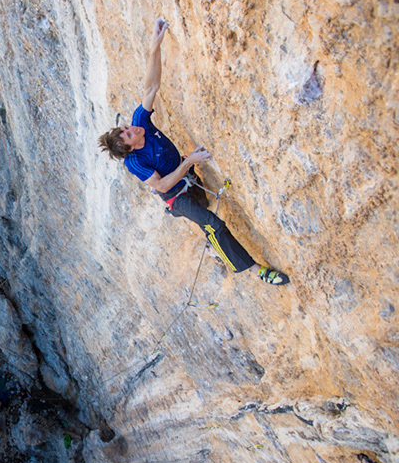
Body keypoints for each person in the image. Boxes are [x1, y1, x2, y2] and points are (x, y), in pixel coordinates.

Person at [97, 17, 289, 286]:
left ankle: (219, 244)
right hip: (176, 197)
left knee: (207, 210)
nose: (131, 127)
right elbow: (163, 184)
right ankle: (257, 270)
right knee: (213, 224)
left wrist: (155, 45)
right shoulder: (136, 162)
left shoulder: (141, 122)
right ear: (130, 148)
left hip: (189, 180)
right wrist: (190, 161)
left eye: (127, 128)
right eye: (128, 133)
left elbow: (151, 86)